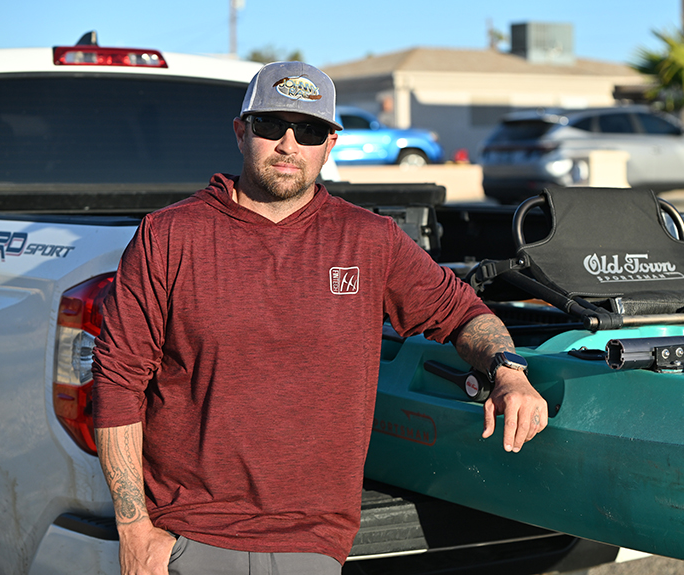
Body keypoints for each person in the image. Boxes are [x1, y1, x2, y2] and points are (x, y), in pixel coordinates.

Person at [91, 61, 547, 575]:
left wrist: (509, 372)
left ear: (329, 144)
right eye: (271, 126)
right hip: (187, 535)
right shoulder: (170, 235)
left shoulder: (369, 240)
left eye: (308, 130)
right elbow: (117, 379)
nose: (289, 145)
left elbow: (461, 311)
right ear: (241, 131)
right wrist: (133, 529)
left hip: (313, 543)